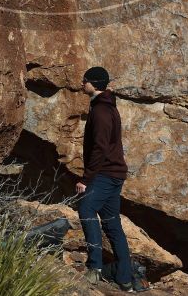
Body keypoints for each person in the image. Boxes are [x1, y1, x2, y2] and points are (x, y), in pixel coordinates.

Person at [76, 66, 136, 292]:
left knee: (86, 210)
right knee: (112, 226)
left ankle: (95, 269)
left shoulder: (101, 111)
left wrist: (86, 178)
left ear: (94, 83)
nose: (82, 83)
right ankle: (125, 278)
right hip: (115, 175)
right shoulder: (107, 106)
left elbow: (100, 148)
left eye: (85, 80)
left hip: (104, 174)